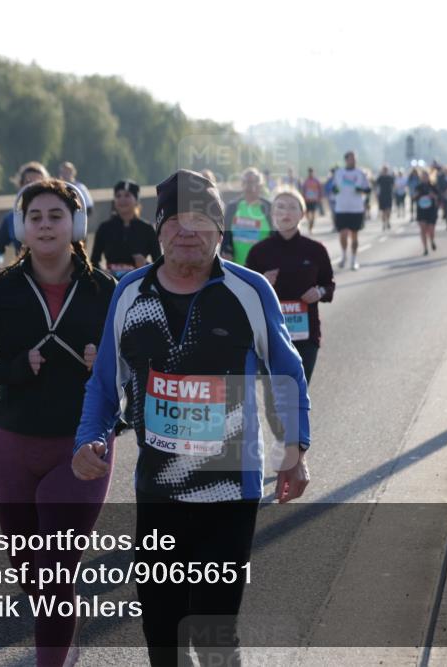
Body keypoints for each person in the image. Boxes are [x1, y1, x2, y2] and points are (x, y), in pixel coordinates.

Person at [72, 169, 311, 667]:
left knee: (214, 631)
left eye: (202, 218)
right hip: (158, 491)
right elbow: (103, 385)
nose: (187, 230)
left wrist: (296, 449)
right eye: (176, 219)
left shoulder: (248, 291)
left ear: (220, 230)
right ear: (158, 229)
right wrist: (89, 439)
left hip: (230, 490)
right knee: (163, 635)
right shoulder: (130, 293)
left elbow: (286, 370)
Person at [0, 178, 116, 666]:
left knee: (54, 570)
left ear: (77, 224)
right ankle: (65, 623)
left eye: (56, 216)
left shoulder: (105, 289)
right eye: (35, 217)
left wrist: (103, 362)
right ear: (21, 228)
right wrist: (14, 369)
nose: (45, 225)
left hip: (83, 444)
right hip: (13, 443)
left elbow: (138, 369)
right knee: (31, 573)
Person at [246, 187, 334, 383]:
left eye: (292, 207)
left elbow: (329, 286)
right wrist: (261, 282)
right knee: (276, 400)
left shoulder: (316, 250)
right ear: (272, 213)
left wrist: (319, 291)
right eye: (280, 207)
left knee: (297, 397)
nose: (286, 212)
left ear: (302, 214)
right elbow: (244, 296)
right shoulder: (258, 252)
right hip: (269, 337)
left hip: (306, 337)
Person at [91, 180, 161, 279]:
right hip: (111, 283)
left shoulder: (147, 229)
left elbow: (159, 264)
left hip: (139, 281)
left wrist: (145, 265)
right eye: (118, 196)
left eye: (127, 195)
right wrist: (103, 273)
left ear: (136, 200)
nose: (122, 199)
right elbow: (93, 261)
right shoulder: (104, 228)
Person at [0, 161, 49, 274]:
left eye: (39, 182)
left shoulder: (60, 217)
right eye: (28, 182)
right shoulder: (11, 219)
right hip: (23, 278)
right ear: (20, 185)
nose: (34, 186)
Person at [221, 167, 273, 265]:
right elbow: (225, 235)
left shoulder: (269, 207)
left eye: (254, 182)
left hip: (261, 268)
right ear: (242, 184)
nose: (250, 186)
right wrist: (226, 251)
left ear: (260, 185)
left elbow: (275, 237)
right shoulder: (233, 207)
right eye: (247, 182)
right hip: (236, 267)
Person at [330, 151, 372, 270]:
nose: (353, 160)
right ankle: (344, 256)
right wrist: (336, 190)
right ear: (346, 160)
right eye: (351, 158)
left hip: (356, 208)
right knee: (343, 234)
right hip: (341, 208)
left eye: (355, 158)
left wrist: (361, 190)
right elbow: (333, 188)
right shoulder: (339, 173)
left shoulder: (360, 173)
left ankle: (354, 259)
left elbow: (368, 189)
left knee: (354, 235)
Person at [411, 169, 440, 256]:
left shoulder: (433, 186)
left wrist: (433, 196)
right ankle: (425, 248)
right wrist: (416, 195)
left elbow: (438, 197)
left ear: (428, 177)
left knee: (431, 229)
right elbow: (413, 198)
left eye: (426, 176)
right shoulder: (418, 187)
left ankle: (432, 240)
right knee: (423, 230)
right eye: (423, 177)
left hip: (431, 210)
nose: (424, 178)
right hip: (421, 210)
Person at [300, 167, 323, 233]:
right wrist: (303, 198)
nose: (311, 173)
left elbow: (320, 189)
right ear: (308, 173)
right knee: (307, 214)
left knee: (313, 214)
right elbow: (303, 190)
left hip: (314, 200)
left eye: (312, 172)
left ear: (313, 172)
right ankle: (309, 222)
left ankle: (311, 225)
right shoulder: (306, 181)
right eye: (309, 172)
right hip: (307, 200)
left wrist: (320, 197)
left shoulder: (316, 181)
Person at [375, 166, 395, 231]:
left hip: (389, 195)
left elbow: (394, 185)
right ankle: (383, 223)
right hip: (382, 196)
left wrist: (393, 193)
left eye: (386, 170)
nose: (385, 171)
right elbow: (376, 186)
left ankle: (388, 221)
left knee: (388, 210)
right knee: (383, 211)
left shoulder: (390, 178)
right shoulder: (380, 178)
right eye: (384, 170)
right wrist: (376, 195)